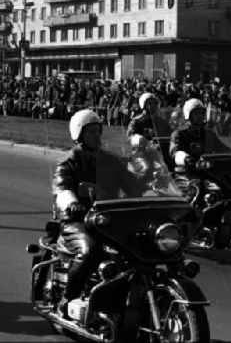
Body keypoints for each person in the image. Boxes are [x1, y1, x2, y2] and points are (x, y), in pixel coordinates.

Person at [52, 109, 146, 317]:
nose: (96, 136)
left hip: (108, 219)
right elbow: (62, 188)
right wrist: (72, 202)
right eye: (91, 132)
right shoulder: (69, 161)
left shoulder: (111, 160)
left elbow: (130, 184)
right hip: (77, 220)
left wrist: (149, 188)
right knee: (91, 250)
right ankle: (67, 300)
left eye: (98, 131)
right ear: (79, 134)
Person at [169, 98, 231, 174]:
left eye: (202, 113)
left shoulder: (209, 134)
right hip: (187, 174)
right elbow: (175, 153)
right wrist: (186, 159)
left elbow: (224, 149)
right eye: (196, 113)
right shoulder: (179, 134)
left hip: (209, 172)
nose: (200, 116)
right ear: (188, 115)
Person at [127, 92, 172, 163]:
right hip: (143, 156)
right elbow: (131, 138)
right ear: (143, 105)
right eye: (149, 103)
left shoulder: (162, 121)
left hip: (161, 156)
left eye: (155, 103)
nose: (153, 105)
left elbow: (170, 136)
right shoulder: (137, 121)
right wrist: (147, 143)